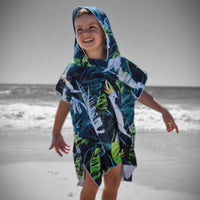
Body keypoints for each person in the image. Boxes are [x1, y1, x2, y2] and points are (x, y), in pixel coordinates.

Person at [49, 6, 179, 200]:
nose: (85, 33)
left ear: (104, 30)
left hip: (115, 138)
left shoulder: (119, 66)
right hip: (88, 140)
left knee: (113, 184)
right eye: (79, 29)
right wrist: (56, 132)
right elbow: (65, 101)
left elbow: (138, 92)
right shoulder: (74, 70)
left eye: (92, 27)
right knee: (91, 186)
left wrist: (163, 110)